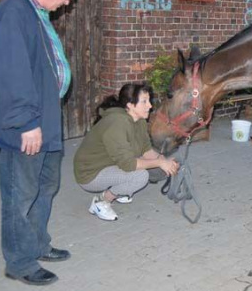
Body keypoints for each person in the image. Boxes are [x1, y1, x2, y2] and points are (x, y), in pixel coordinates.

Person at [0, 0, 81, 286]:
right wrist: (26, 122)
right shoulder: (14, 12)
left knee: (45, 187)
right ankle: (21, 262)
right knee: (20, 193)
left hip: (46, 120)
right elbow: (11, 72)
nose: (69, 1)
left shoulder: (35, 12)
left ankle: (38, 244)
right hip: (27, 126)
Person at [73, 83, 179, 222]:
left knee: (159, 169)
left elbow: (146, 149)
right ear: (130, 105)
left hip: (111, 164)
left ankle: (121, 190)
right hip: (90, 173)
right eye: (144, 102)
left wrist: (164, 161)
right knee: (140, 177)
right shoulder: (117, 123)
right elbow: (128, 164)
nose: (150, 106)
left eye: (149, 100)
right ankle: (101, 201)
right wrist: (159, 162)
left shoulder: (139, 119)